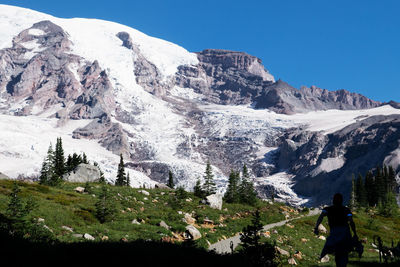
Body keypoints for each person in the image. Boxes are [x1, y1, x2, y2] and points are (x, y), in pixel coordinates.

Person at [314, 193, 357, 267]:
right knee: (344, 254)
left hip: (335, 233)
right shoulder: (346, 210)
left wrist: (316, 227)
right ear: (342, 201)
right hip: (345, 233)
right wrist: (355, 233)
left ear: (333, 200)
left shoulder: (328, 209)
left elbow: (321, 217)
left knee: (333, 251)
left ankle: (323, 256)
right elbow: (351, 221)